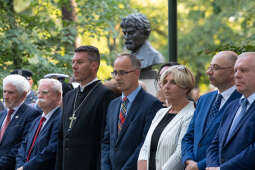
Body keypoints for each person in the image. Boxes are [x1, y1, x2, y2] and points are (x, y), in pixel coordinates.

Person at [55, 45, 115, 170]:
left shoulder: (105, 95)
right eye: (73, 62)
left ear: (94, 65)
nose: (74, 66)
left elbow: (104, 140)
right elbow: (61, 138)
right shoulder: (69, 96)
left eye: (80, 62)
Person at [181, 51, 242, 170]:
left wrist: (199, 166)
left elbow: (233, 147)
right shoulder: (204, 99)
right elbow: (189, 136)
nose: (208, 72)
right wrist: (188, 160)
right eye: (210, 67)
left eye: (215, 68)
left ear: (232, 72)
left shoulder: (241, 101)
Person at [101, 53, 162, 170]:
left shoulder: (152, 105)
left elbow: (145, 144)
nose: (117, 77)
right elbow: (106, 142)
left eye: (123, 72)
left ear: (137, 73)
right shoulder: (113, 105)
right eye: (115, 73)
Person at [138, 65, 195, 170]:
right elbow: (145, 148)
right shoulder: (160, 113)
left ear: (186, 87)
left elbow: (180, 153)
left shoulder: (191, 114)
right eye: (164, 82)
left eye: (173, 82)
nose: (166, 86)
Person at [206, 52, 255, 170]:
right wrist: (212, 165)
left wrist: (222, 169)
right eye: (235, 70)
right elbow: (215, 143)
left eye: (243, 70)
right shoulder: (232, 106)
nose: (236, 75)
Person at [16, 78, 62, 170]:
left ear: (58, 95)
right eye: (38, 93)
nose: (39, 96)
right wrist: (20, 166)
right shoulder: (36, 120)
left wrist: (26, 168)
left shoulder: (61, 119)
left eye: (44, 93)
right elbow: (23, 146)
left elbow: (51, 151)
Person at [0, 75, 40, 170]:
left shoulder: (32, 115)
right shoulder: (2, 114)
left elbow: (21, 147)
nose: (6, 96)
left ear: (23, 94)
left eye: (11, 92)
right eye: (4, 91)